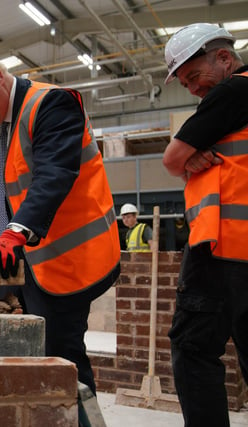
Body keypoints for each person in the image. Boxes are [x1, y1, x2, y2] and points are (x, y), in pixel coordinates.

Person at [0, 36, 120, 396]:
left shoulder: (52, 104)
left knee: (61, 360)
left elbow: (54, 175)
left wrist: (15, 234)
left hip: (67, 261)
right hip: (18, 265)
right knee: (21, 356)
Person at [162, 22, 248, 427]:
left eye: (195, 76)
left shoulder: (234, 90)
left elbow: (171, 158)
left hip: (223, 249)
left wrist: (186, 158)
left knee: (194, 350)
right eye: (185, 83)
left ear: (225, 58)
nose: (194, 89)